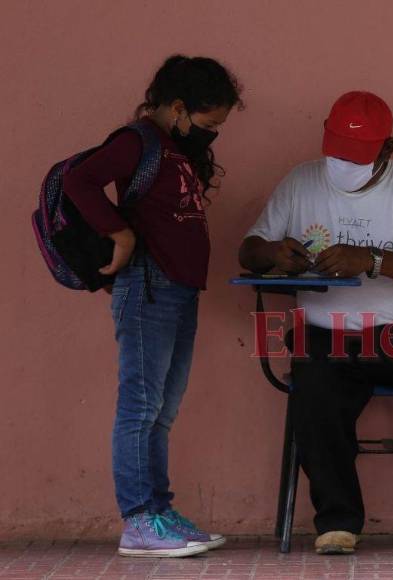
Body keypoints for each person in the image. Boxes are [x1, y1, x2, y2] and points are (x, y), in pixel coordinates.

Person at [239, 91, 393, 555]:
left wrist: (371, 260)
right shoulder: (300, 182)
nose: (341, 165)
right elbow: (249, 249)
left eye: (356, 157)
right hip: (326, 333)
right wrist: (274, 254)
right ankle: (338, 522)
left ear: (388, 149)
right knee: (315, 401)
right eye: (336, 152)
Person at [63, 55, 242, 558]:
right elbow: (80, 182)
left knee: (162, 410)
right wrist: (118, 233)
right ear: (179, 107)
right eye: (209, 124)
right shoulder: (136, 142)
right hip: (147, 287)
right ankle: (139, 519)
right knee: (141, 406)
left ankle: (160, 511)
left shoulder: (172, 147)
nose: (212, 135)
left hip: (178, 290)